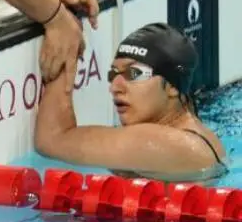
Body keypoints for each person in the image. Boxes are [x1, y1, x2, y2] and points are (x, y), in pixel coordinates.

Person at [34, 23, 229, 182]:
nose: (115, 87)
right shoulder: (199, 137)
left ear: (172, 87)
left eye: (134, 73)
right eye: (113, 74)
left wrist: (65, 39)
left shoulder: (160, 143)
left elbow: (52, 140)